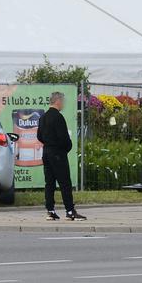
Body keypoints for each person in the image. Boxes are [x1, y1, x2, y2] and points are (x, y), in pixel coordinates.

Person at [37, 92, 86, 221]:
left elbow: (39, 136)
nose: (63, 104)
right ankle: (70, 211)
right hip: (57, 154)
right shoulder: (58, 117)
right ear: (58, 101)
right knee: (65, 183)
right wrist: (66, 148)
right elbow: (64, 138)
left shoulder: (43, 117)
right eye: (63, 101)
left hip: (46, 153)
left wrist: (48, 144)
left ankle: (50, 210)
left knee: (50, 183)